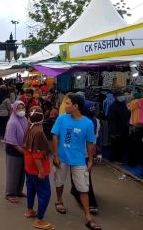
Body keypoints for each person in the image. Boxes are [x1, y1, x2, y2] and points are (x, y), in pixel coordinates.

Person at [51, 93, 101, 230]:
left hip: (79, 160)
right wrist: (55, 156)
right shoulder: (62, 119)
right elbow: (55, 137)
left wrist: (90, 160)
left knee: (83, 188)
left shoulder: (88, 123)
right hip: (62, 157)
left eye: (67, 103)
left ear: (76, 106)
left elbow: (90, 143)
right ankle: (59, 200)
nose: (65, 106)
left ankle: (88, 216)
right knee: (59, 181)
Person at [23, 106, 54, 230]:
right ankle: (39, 220)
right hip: (37, 168)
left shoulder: (29, 128)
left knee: (31, 189)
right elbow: (37, 154)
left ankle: (30, 210)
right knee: (45, 194)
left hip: (29, 166)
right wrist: (41, 171)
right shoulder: (38, 131)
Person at [4, 100, 28, 203]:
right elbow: (12, 142)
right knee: (13, 173)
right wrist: (24, 152)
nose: (21, 110)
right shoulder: (12, 123)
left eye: (23, 108)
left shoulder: (24, 119)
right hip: (14, 150)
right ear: (14, 109)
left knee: (22, 173)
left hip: (23, 149)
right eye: (19, 108)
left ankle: (18, 191)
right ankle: (10, 193)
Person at [107, 92, 130, 163]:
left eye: (122, 96)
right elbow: (111, 120)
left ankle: (118, 159)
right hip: (116, 130)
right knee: (115, 145)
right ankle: (113, 159)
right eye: (120, 96)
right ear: (116, 98)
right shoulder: (113, 107)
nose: (122, 97)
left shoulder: (124, 105)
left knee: (121, 144)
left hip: (124, 128)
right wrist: (113, 131)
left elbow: (127, 115)